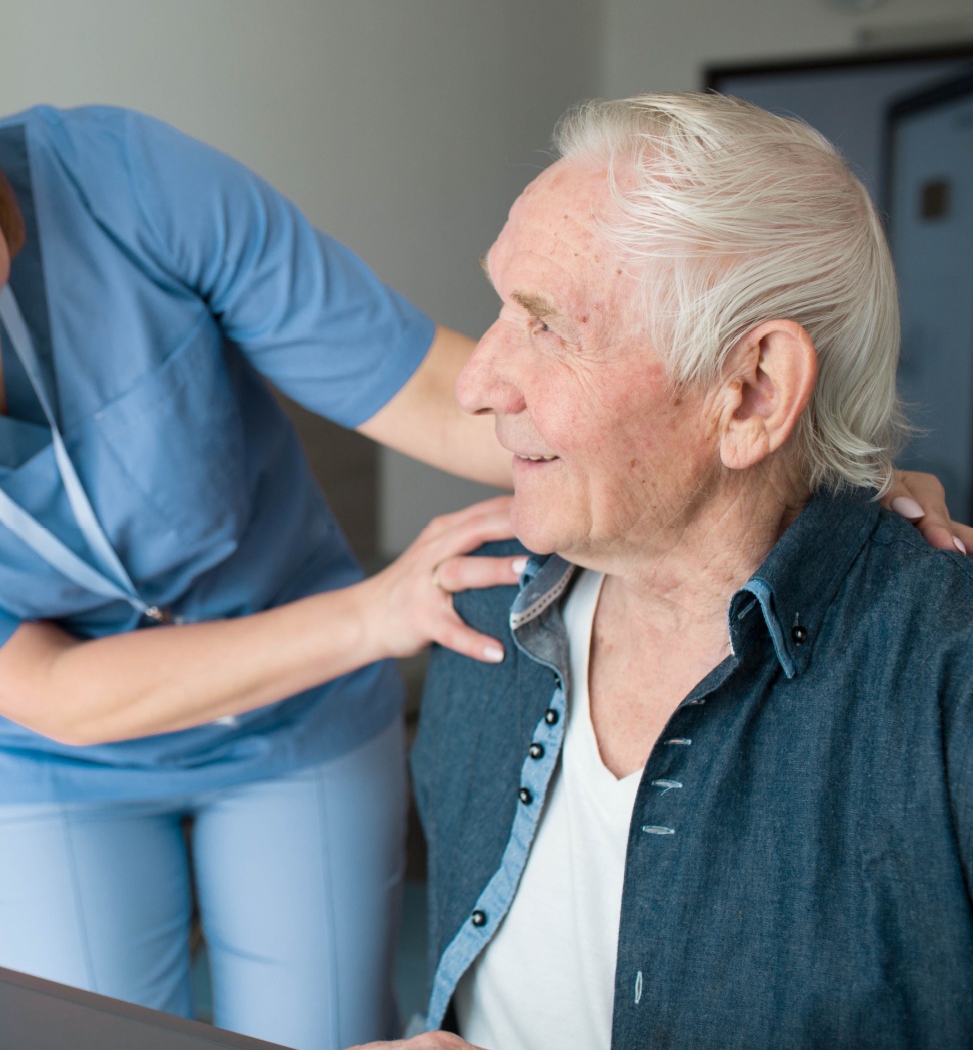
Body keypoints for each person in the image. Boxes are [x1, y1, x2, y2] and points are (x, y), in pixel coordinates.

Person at [0, 4, 962, 1045]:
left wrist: (795, 472)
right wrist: (377, 607)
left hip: (305, 728)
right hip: (63, 750)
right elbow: (42, 682)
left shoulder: (118, 179)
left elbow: (433, 386)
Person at [360, 93, 973, 1050]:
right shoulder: (481, 613)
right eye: (499, 309)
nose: (476, 385)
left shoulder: (946, 685)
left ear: (752, 393)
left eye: (549, 325)